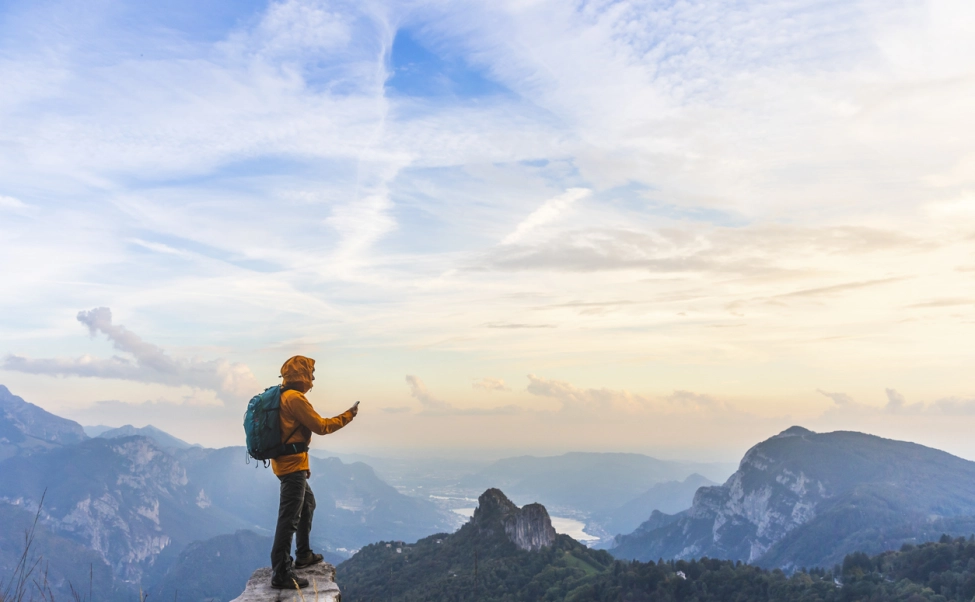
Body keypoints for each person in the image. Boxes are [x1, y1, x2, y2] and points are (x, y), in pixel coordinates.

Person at [270, 355, 358, 590]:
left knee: (307, 504)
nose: (313, 378)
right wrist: (349, 415)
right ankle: (281, 572)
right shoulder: (295, 399)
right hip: (291, 467)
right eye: (310, 373)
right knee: (289, 518)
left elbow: (291, 434)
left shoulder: (281, 396)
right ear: (301, 377)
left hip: (289, 464)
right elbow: (321, 426)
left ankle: (303, 554)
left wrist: (304, 466)